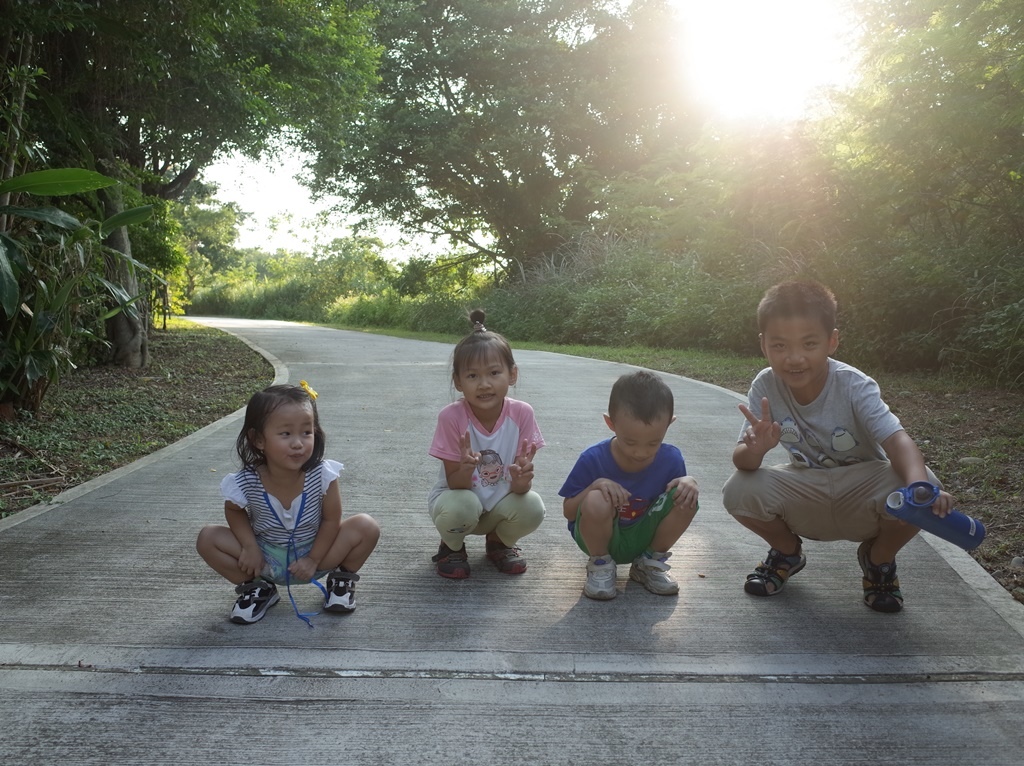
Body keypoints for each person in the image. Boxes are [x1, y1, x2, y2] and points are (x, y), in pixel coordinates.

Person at [722, 280, 954, 613]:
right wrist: (756, 448)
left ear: (832, 341)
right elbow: (743, 462)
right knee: (739, 490)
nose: (794, 357)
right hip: (809, 487)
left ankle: (879, 561)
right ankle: (787, 552)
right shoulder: (765, 384)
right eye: (780, 346)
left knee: (924, 485)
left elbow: (897, 440)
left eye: (809, 343)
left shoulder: (853, 384)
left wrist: (919, 487)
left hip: (864, 490)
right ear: (764, 345)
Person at [196, 381, 380, 624]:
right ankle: (258, 588)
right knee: (208, 538)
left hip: (319, 555)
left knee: (366, 526)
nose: (298, 443)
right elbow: (234, 511)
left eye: (306, 432)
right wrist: (250, 547)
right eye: (286, 434)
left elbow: (331, 520)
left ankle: (341, 579)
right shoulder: (246, 481)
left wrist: (313, 558)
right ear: (258, 439)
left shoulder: (323, 475)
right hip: (265, 558)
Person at [559, 371, 700, 600]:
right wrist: (596, 485)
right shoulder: (592, 459)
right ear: (610, 423)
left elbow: (671, 502)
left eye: (654, 442)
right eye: (630, 441)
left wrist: (688, 481)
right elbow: (568, 511)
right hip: (599, 536)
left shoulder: (672, 459)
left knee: (686, 496)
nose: (641, 452)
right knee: (596, 497)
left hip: (644, 536)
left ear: (669, 425)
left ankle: (649, 563)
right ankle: (601, 565)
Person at [428, 309, 545, 578]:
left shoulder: (522, 414)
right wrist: (466, 468)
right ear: (458, 381)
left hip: (499, 504)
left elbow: (519, 487)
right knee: (462, 506)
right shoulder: (451, 417)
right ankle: (452, 546)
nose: (484, 384)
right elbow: (455, 484)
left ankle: (499, 543)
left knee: (532, 505)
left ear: (512, 374)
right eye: (472, 376)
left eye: (494, 373)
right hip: (458, 499)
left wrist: (521, 478)